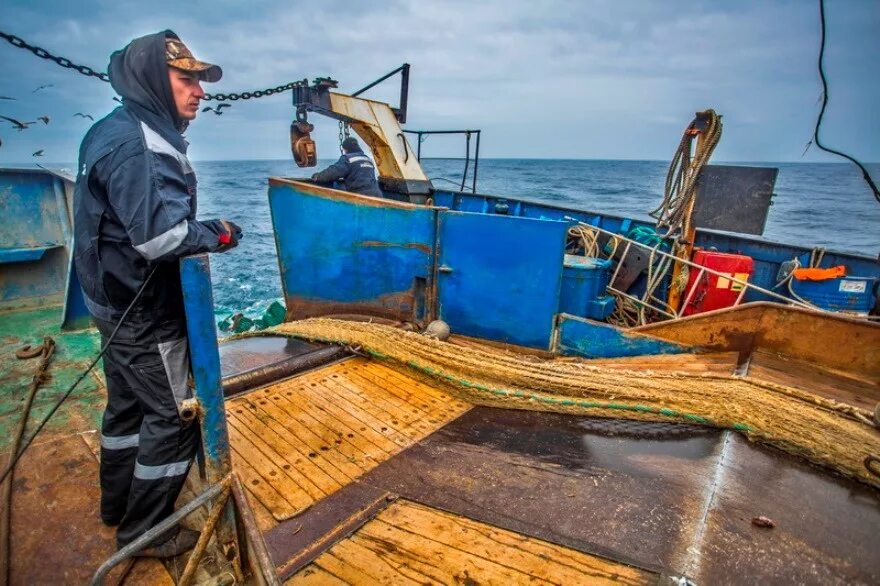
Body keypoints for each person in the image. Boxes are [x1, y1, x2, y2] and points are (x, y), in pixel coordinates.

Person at [73, 30, 240, 558]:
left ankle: (115, 505)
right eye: (186, 78)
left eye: (199, 79)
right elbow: (161, 237)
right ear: (152, 79)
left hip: (113, 302)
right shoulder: (140, 144)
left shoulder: (115, 129)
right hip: (143, 312)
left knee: (126, 409)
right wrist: (222, 232)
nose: (199, 91)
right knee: (174, 416)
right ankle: (144, 532)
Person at [311, 136, 383, 196]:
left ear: (346, 149)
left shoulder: (348, 158)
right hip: (377, 195)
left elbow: (334, 171)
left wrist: (318, 176)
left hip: (362, 196)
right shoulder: (367, 159)